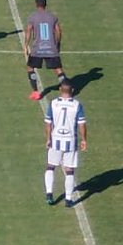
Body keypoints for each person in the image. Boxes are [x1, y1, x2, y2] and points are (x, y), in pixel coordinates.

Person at [43, 79, 87, 207]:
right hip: (70, 141)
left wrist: (48, 139)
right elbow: (82, 124)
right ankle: (68, 199)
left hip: (56, 139)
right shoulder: (77, 105)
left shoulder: (53, 103)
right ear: (72, 90)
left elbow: (48, 123)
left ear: (60, 90)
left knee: (50, 166)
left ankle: (49, 194)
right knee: (69, 170)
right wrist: (84, 140)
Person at [25, 0, 66, 100]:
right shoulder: (52, 17)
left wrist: (26, 45)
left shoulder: (33, 17)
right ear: (45, 4)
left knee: (30, 67)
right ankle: (66, 90)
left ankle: (35, 92)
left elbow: (29, 30)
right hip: (51, 48)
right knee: (58, 70)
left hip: (37, 48)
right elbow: (58, 31)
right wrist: (58, 44)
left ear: (36, 4)